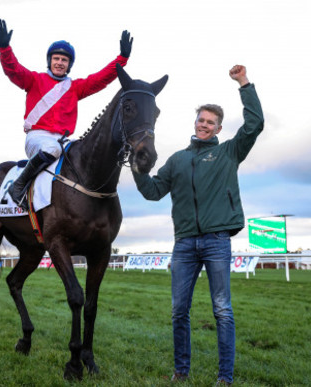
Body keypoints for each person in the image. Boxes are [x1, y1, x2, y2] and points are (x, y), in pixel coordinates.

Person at [131, 65, 264, 385]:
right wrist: (137, 167)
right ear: (195, 123)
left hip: (217, 240)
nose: (204, 125)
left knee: (222, 311)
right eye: (201, 120)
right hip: (185, 244)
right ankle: (181, 371)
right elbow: (152, 192)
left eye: (210, 122)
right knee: (179, 312)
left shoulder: (229, 152)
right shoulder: (177, 160)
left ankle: (225, 377)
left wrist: (244, 83)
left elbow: (255, 123)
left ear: (218, 128)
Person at [0, 19, 133, 210]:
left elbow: (100, 79)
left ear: (69, 65)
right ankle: (18, 187)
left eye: (64, 60)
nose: (59, 63)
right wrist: (4, 48)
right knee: (52, 150)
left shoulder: (75, 87)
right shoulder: (33, 80)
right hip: (38, 138)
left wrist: (122, 58)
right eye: (56, 58)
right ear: (49, 60)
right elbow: (13, 70)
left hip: (63, 141)